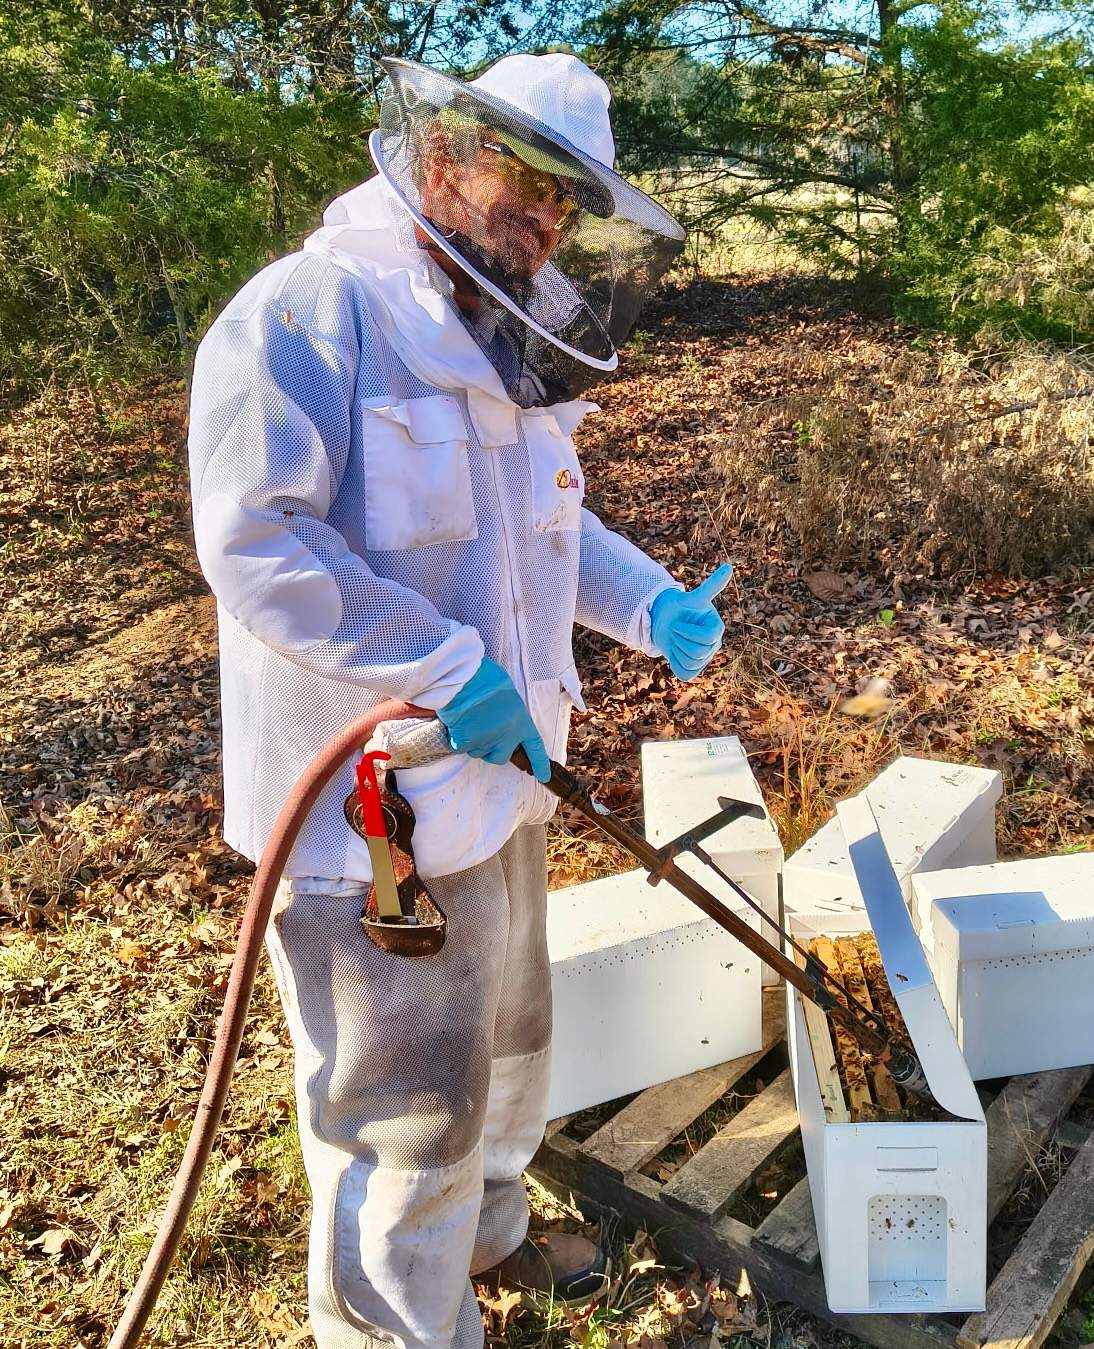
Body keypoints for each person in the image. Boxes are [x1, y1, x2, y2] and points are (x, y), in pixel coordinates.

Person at [187, 52, 731, 1349]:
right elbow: (255, 539)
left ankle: (492, 1234)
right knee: (401, 1110)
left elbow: (547, 522)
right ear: (441, 159)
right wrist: (442, 666)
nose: (545, 217)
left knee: (510, 1044)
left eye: (567, 200)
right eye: (527, 181)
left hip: (503, 774)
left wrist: (647, 605)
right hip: (365, 819)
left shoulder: (498, 321)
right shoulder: (306, 317)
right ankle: (394, 1330)